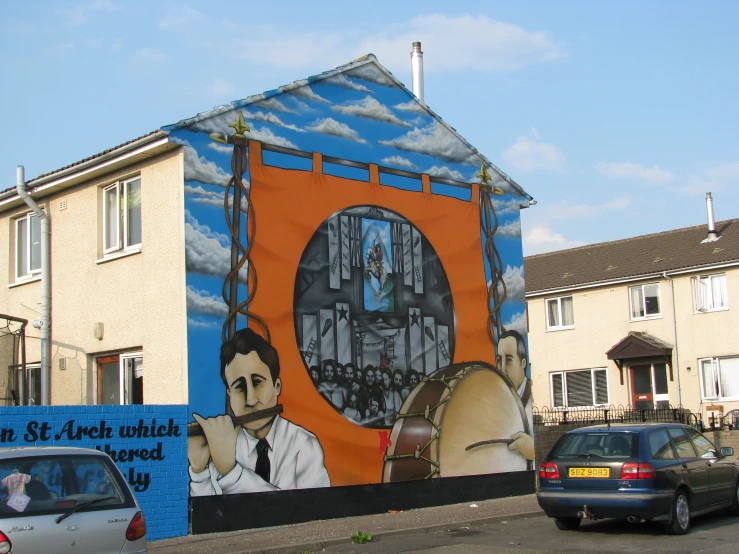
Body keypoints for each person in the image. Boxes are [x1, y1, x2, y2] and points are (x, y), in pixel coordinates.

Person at [188, 328, 330, 496]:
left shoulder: (304, 446)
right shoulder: (220, 444)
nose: (250, 400)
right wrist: (199, 472)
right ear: (230, 396)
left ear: (277, 386)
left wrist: (232, 473)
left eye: (257, 382)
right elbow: (207, 519)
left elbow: (303, 513)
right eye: (239, 388)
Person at [497, 330, 534, 462]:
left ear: (523, 363)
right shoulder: (496, 398)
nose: (502, 369)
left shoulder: (531, 399)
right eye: (499, 360)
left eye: (508, 360)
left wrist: (532, 451)